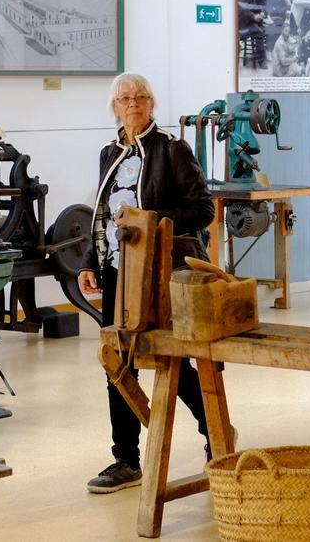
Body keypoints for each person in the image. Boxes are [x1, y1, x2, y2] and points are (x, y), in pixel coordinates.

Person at [78, 73, 217, 493]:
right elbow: (101, 211)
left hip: (160, 274)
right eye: (125, 98)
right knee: (117, 362)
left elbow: (203, 209)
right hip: (118, 273)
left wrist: (151, 224)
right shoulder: (108, 153)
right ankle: (126, 459)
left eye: (140, 97)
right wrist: (89, 260)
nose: (133, 103)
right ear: (115, 107)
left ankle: (216, 434)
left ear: (151, 104)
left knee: (174, 360)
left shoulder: (172, 150)